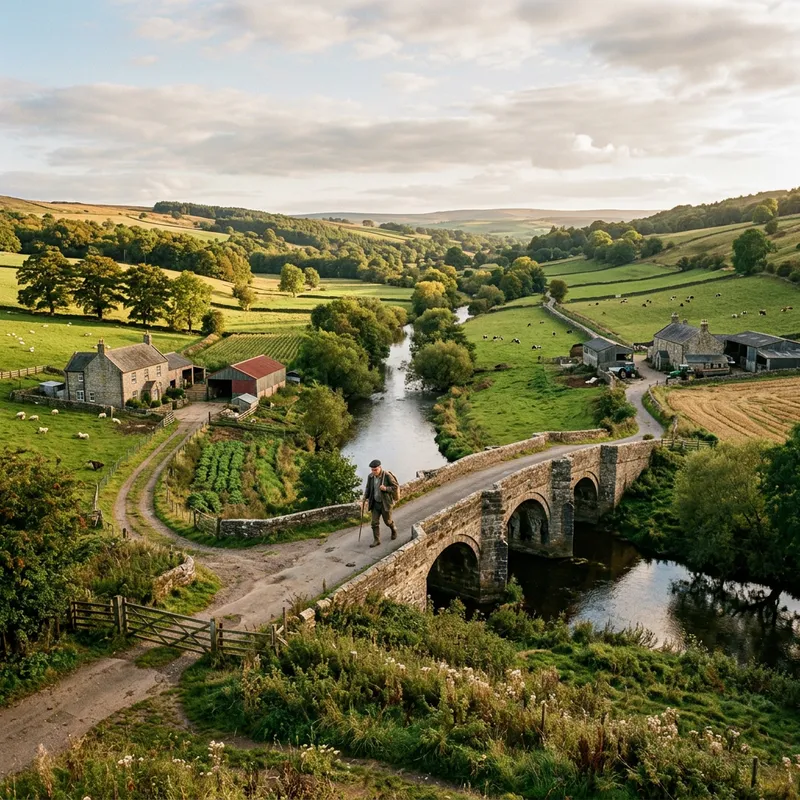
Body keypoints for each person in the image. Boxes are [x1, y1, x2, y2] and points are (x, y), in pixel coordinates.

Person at [362, 459, 399, 547]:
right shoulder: (370, 477)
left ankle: (393, 529)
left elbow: (395, 487)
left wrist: (386, 488)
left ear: (380, 467)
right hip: (375, 503)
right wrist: (364, 497)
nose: (374, 472)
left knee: (388, 522)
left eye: (375, 470)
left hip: (385, 503)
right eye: (372, 470)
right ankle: (377, 540)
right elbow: (368, 488)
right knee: (374, 523)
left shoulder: (387, 476)